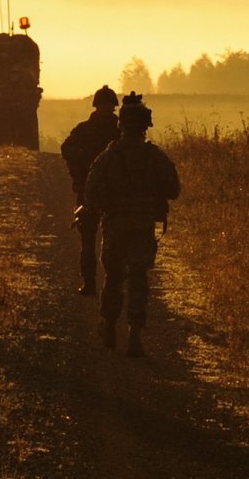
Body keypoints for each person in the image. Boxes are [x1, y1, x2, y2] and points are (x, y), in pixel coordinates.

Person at [81, 92, 180, 356]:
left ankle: (109, 324)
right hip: (144, 224)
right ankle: (134, 333)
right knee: (138, 278)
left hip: (115, 223)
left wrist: (103, 206)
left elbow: (90, 190)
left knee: (113, 276)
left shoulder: (109, 156)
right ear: (146, 126)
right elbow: (174, 189)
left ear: (121, 124)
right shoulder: (155, 157)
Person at [60, 85, 121, 296]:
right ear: (97, 106)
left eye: (109, 105)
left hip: (114, 194)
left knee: (115, 244)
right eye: (104, 105)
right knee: (88, 242)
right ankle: (89, 283)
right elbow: (66, 149)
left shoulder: (120, 132)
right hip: (89, 192)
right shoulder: (86, 130)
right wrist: (81, 162)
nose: (107, 108)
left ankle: (111, 285)